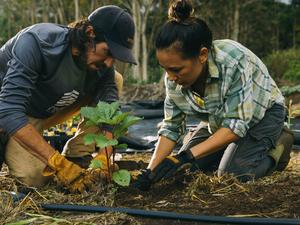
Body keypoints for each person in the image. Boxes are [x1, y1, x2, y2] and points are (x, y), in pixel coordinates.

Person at [133, 0, 294, 191]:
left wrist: (186, 155)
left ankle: (278, 147)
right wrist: (150, 172)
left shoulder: (232, 61)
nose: (170, 77)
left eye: (176, 69)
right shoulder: (173, 79)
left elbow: (236, 126)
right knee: (183, 171)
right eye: (165, 69)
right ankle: (227, 152)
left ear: (202, 55)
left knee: (233, 176)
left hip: (263, 115)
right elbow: (170, 128)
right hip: (220, 121)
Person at [0, 5, 136, 193]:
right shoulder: (37, 43)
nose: (109, 62)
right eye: (108, 52)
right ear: (90, 33)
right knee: (34, 179)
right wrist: (57, 163)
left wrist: (106, 155)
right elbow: (9, 110)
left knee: (114, 79)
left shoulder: (101, 65)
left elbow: (109, 103)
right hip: (11, 110)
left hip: (46, 109)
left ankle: (77, 154)